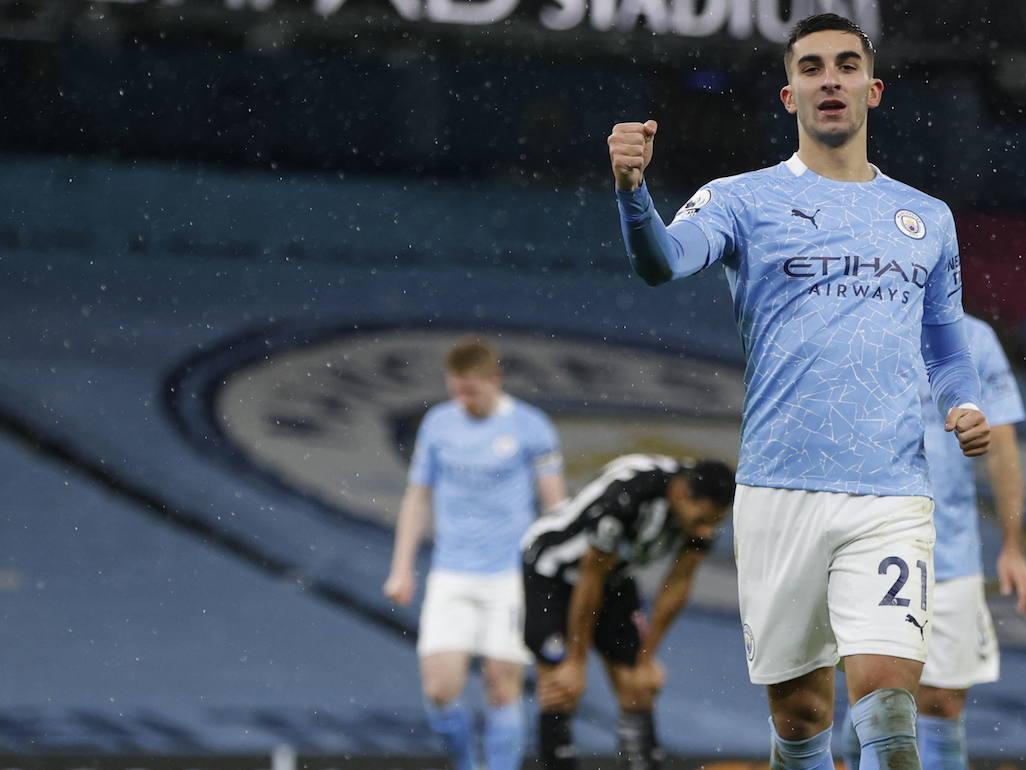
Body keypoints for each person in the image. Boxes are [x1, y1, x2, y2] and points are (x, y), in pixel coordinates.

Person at [607, 12, 992, 770]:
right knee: (801, 715)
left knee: (887, 705)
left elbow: (945, 343)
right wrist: (631, 193)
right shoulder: (740, 200)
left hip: (889, 494)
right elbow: (662, 262)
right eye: (811, 68)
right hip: (779, 490)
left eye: (846, 65)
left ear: (872, 89)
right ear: (788, 95)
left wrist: (962, 403)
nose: (830, 80)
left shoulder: (928, 219)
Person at [844, 315, 1026, 770]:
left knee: (942, 704)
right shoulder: (857, 323)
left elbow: (1003, 446)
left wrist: (1012, 545)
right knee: (875, 696)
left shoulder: (974, 339)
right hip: (867, 542)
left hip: (950, 551)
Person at [383, 337, 567, 770]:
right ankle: (467, 763)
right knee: (439, 690)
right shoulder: (438, 425)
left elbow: (555, 507)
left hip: (511, 579)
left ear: (494, 380)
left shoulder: (531, 427)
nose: (462, 400)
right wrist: (401, 568)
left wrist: (557, 579)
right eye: (455, 390)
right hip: (452, 575)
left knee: (502, 685)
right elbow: (417, 497)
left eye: (471, 391)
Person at [522, 454, 736, 770]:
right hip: (553, 569)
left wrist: (647, 657)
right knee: (562, 685)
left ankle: (641, 762)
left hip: (614, 574)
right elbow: (589, 577)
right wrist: (576, 661)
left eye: (714, 523)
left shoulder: (702, 504)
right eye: (701, 520)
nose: (705, 532)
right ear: (680, 495)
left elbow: (678, 584)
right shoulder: (629, 496)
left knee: (638, 684)